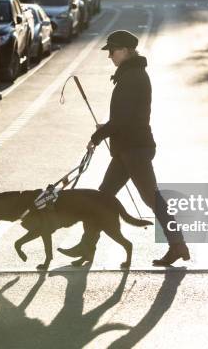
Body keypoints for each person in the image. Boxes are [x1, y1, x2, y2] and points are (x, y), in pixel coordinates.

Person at [62, 30, 190, 266]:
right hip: (128, 149)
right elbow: (125, 118)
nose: (109, 55)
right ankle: (87, 246)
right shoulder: (131, 75)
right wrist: (107, 129)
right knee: (102, 198)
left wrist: (98, 135)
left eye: (112, 50)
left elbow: (123, 120)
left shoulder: (132, 78)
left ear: (124, 51)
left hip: (134, 149)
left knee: (152, 199)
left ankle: (177, 244)